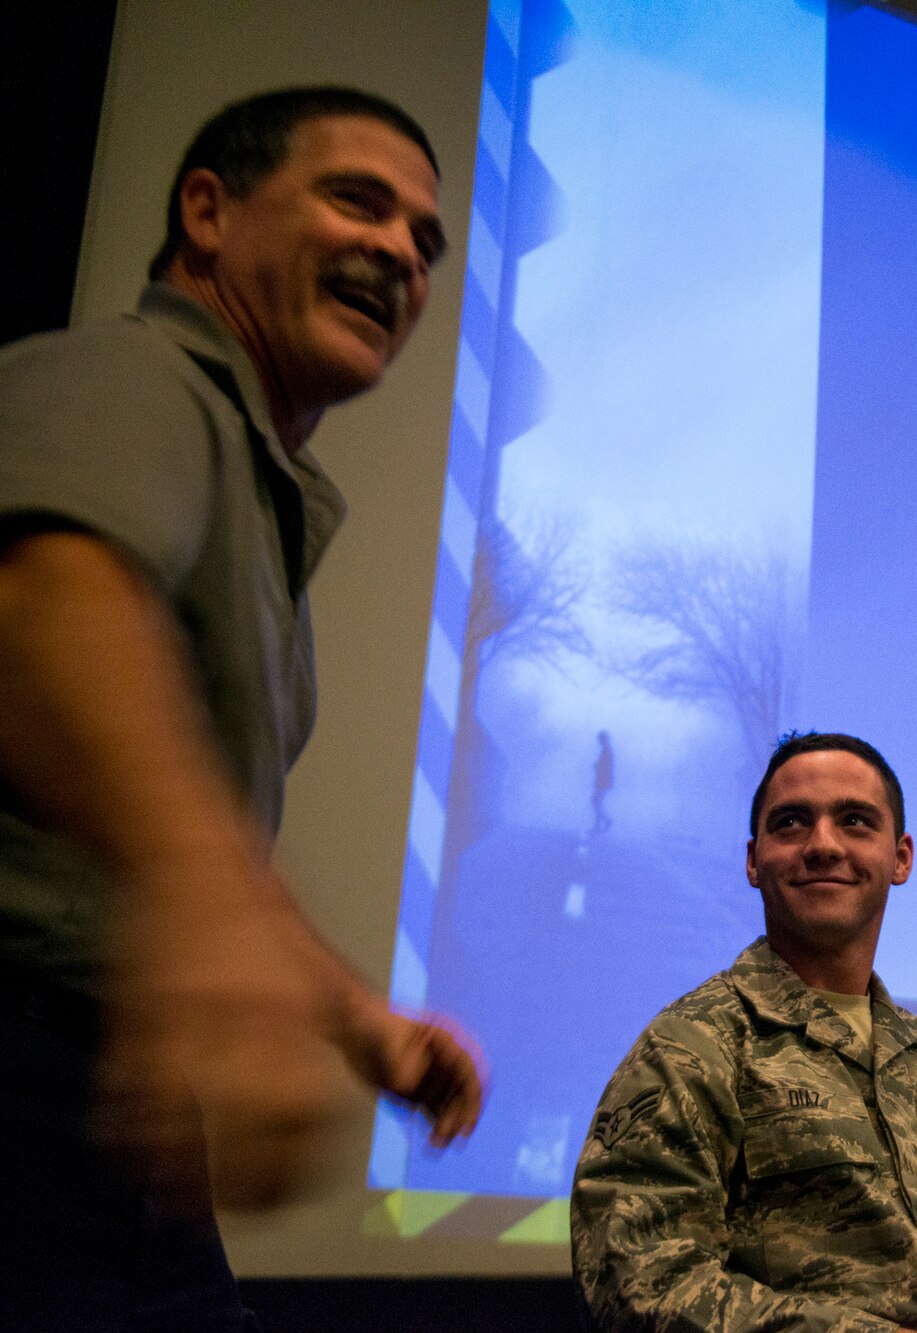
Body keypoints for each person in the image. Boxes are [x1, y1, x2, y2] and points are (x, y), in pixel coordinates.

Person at [0, 87, 483, 1327]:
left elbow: (196, 830)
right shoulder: (135, 375)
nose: (399, 253)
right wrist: (207, 921)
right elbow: (40, 601)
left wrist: (349, 1016)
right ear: (207, 214)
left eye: (423, 242)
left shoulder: (252, 484)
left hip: (114, 1121)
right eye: (356, 201)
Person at [572, 732, 917, 1333]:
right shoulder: (691, 1050)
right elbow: (643, 1279)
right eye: (791, 823)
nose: (823, 845)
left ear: (901, 857)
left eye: (855, 821)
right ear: (755, 859)